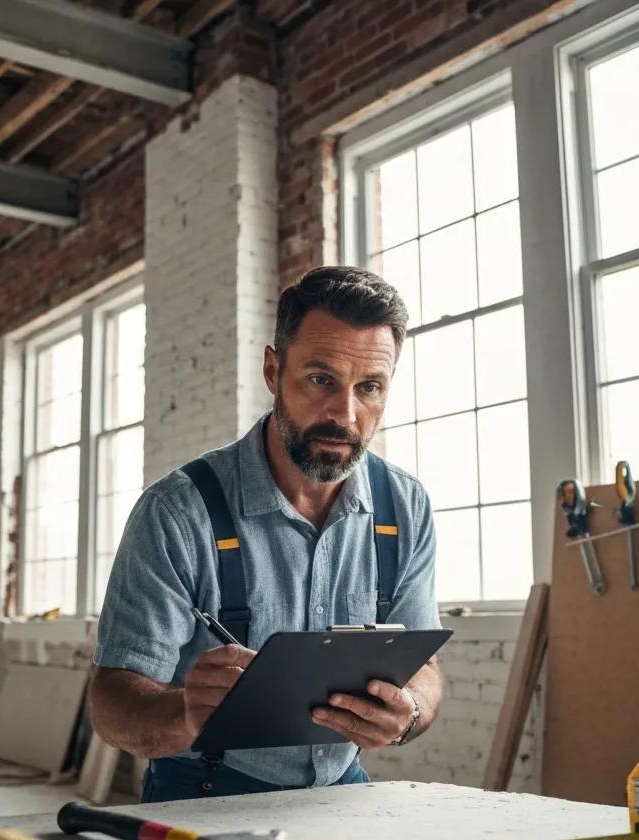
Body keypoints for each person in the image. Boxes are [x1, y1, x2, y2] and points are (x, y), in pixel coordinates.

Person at [90, 265, 443, 802]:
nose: (345, 415)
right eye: (321, 379)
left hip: (342, 788)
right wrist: (183, 714)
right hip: (203, 792)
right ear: (273, 371)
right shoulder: (178, 512)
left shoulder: (405, 506)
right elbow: (111, 705)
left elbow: (427, 671)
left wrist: (409, 709)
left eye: (369, 387)